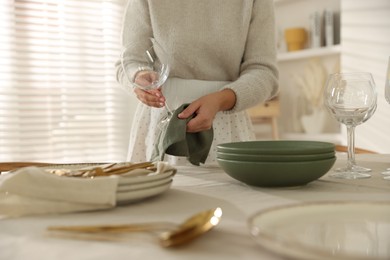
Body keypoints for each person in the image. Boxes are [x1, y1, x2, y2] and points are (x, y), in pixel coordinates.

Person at [116, 0, 279, 166]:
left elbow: (265, 72)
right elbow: (129, 62)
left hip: (226, 122)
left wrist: (221, 100)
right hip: (161, 120)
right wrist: (139, 77)